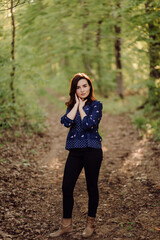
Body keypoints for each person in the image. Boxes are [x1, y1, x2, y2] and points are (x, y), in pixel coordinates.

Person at [50, 73, 103, 238]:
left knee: (91, 187)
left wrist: (81, 108)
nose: (82, 90)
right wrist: (76, 105)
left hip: (92, 150)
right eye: (78, 87)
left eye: (85, 86)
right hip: (75, 152)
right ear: (74, 90)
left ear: (90, 86)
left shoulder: (96, 105)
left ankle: (90, 224)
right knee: (66, 187)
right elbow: (66, 122)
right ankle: (66, 225)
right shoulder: (71, 106)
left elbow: (88, 124)